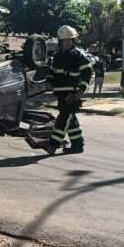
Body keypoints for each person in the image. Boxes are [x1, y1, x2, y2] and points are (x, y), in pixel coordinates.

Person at [44, 25, 91, 155]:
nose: (66, 43)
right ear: (60, 41)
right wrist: (49, 81)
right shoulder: (57, 56)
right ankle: (77, 145)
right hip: (60, 93)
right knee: (70, 120)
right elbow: (52, 72)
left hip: (73, 94)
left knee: (63, 118)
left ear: (73, 40)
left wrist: (81, 90)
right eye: (64, 40)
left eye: (69, 40)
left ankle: (53, 144)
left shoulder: (78, 55)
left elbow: (87, 72)